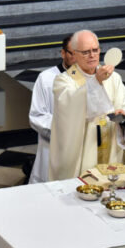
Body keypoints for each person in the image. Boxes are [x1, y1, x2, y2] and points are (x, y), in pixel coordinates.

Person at [49, 29, 125, 181]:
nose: (92, 55)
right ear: (74, 54)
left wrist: (124, 116)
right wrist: (96, 82)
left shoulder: (114, 78)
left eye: (95, 50)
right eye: (85, 52)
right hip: (83, 154)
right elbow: (70, 106)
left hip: (110, 148)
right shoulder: (63, 81)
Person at [28, 34, 73, 184]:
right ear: (63, 53)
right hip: (55, 150)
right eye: (74, 53)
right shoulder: (46, 78)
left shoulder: (96, 77)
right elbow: (37, 116)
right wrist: (66, 128)